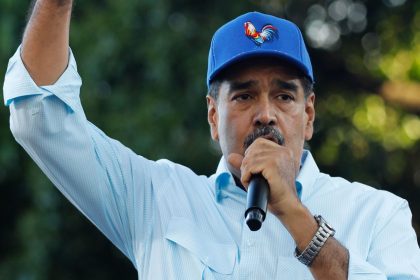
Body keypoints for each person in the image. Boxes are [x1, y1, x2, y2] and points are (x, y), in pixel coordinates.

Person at [3, 0, 420, 279]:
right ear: (212, 114)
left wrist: (296, 217)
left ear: (308, 115)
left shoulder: (378, 213)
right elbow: (40, 118)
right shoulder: (156, 199)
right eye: (243, 95)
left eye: (284, 95)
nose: (265, 114)